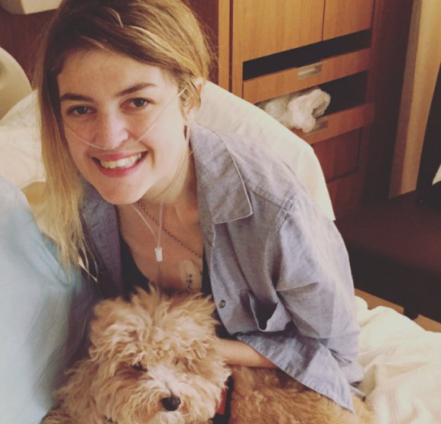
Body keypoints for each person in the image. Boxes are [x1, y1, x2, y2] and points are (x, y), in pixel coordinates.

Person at [33, 0, 363, 415]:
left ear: (189, 99)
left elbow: (336, 358)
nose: (109, 138)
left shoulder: (273, 211)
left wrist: (201, 349)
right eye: (81, 109)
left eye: (137, 102)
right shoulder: (85, 197)